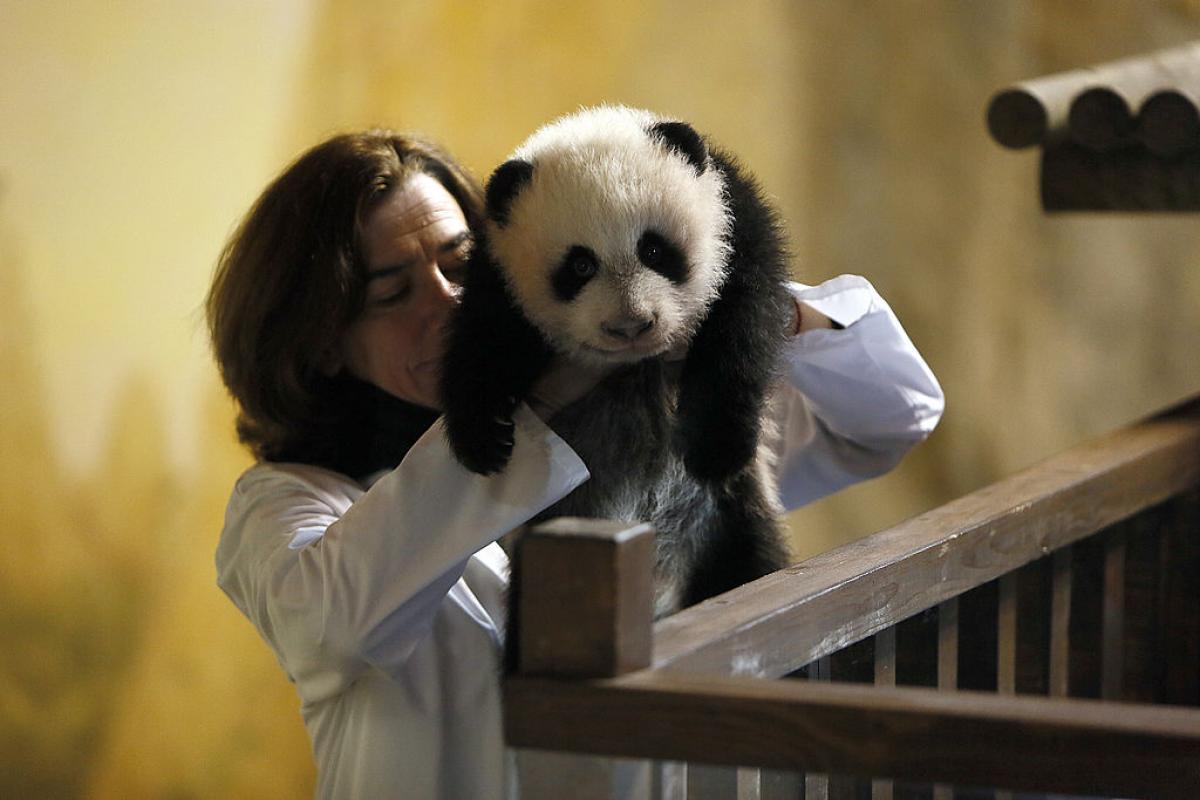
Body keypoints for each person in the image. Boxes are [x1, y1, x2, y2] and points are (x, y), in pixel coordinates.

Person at [206, 130, 944, 800]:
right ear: (321, 342)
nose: (447, 301)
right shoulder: (282, 505)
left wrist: (741, 313)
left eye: (463, 264)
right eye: (393, 292)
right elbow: (335, 629)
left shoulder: (639, 410)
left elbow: (894, 412)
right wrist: (543, 395)